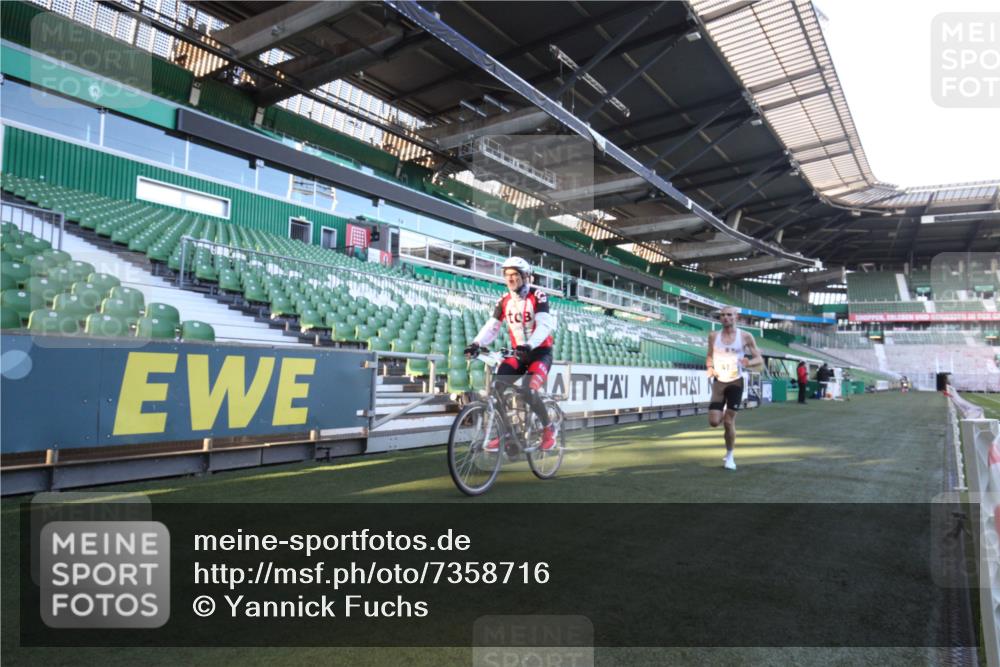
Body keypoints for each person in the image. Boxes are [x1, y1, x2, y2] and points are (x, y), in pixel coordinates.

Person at [465, 256, 557, 451]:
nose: (510, 278)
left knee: (529, 390)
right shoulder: (504, 300)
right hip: (519, 354)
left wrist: (530, 344)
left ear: (525, 276)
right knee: (496, 387)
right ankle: (506, 434)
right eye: (507, 275)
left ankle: (549, 428)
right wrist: (476, 343)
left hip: (540, 353)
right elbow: (492, 326)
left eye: (515, 274)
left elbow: (544, 325)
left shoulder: (538, 296)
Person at [706, 306, 764, 471]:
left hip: (735, 383)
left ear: (736, 317)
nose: (725, 317)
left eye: (729, 315)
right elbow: (709, 356)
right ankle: (724, 413)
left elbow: (759, 358)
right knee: (714, 422)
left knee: (728, 421)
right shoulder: (713, 336)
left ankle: (730, 456)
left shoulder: (745, 336)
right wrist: (710, 368)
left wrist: (748, 362)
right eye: (723, 315)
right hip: (719, 382)